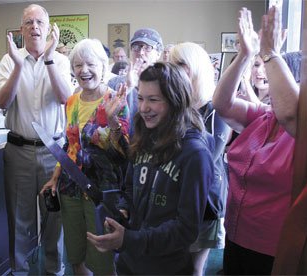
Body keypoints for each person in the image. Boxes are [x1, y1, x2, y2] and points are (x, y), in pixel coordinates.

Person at [87, 62, 214, 275]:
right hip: (129, 262)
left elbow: (185, 229)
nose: (144, 107)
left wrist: (129, 239)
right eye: (140, 98)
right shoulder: (143, 136)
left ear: (175, 102)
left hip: (165, 267)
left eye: (153, 100)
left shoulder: (195, 154)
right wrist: (123, 209)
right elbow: (130, 188)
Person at [212, 6, 298, 275]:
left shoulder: (305, 131)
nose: (267, 78)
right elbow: (221, 103)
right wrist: (244, 55)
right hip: (237, 236)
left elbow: (292, 112)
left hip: (273, 248)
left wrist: (272, 54)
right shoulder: (264, 116)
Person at [0, 4, 74, 275]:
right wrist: (17, 65)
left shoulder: (61, 61)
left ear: (49, 28)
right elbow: (3, 101)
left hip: (53, 152)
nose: (34, 27)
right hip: (19, 151)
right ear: (21, 30)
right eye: (28, 22)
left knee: (55, 217)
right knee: (19, 218)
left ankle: (54, 269)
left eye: (39, 22)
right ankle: (19, 270)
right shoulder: (9, 60)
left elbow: (65, 98)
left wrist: (50, 59)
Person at [40, 38, 130, 276]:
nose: (84, 70)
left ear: (103, 65)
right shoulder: (71, 101)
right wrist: (55, 177)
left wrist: (112, 123)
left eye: (90, 64)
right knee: (76, 254)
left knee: (102, 257)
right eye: (78, 65)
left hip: (102, 192)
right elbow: (70, 145)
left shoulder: (117, 99)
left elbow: (126, 152)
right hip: (71, 188)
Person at [170, 42, 231, 276]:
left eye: (181, 64)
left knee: (193, 269)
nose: (174, 70)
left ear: (196, 68)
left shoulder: (215, 108)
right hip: (174, 199)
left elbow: (206, 157)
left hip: (203, 203)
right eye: (172, 64)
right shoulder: (174, 106)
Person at [108, 28, 163, 136]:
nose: (141, 53)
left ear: (158, 53)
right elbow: (105, 119)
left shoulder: (165, 84)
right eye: (136, 47)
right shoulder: (114, 83)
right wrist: (128, 88)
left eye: (147, 48)